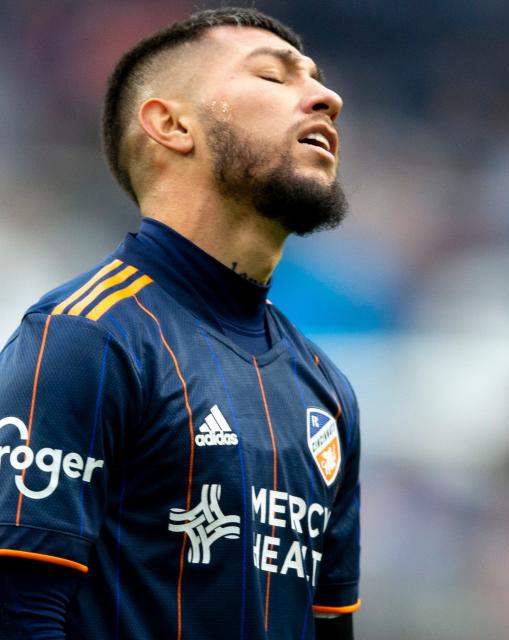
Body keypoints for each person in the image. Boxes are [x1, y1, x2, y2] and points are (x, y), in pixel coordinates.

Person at [0, 7, 360, 639]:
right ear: (170, 125)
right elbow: (17, 612)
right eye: (275, 78)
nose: (326, 97)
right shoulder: (86, 339)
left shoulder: (326, 390)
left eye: (316, 78)